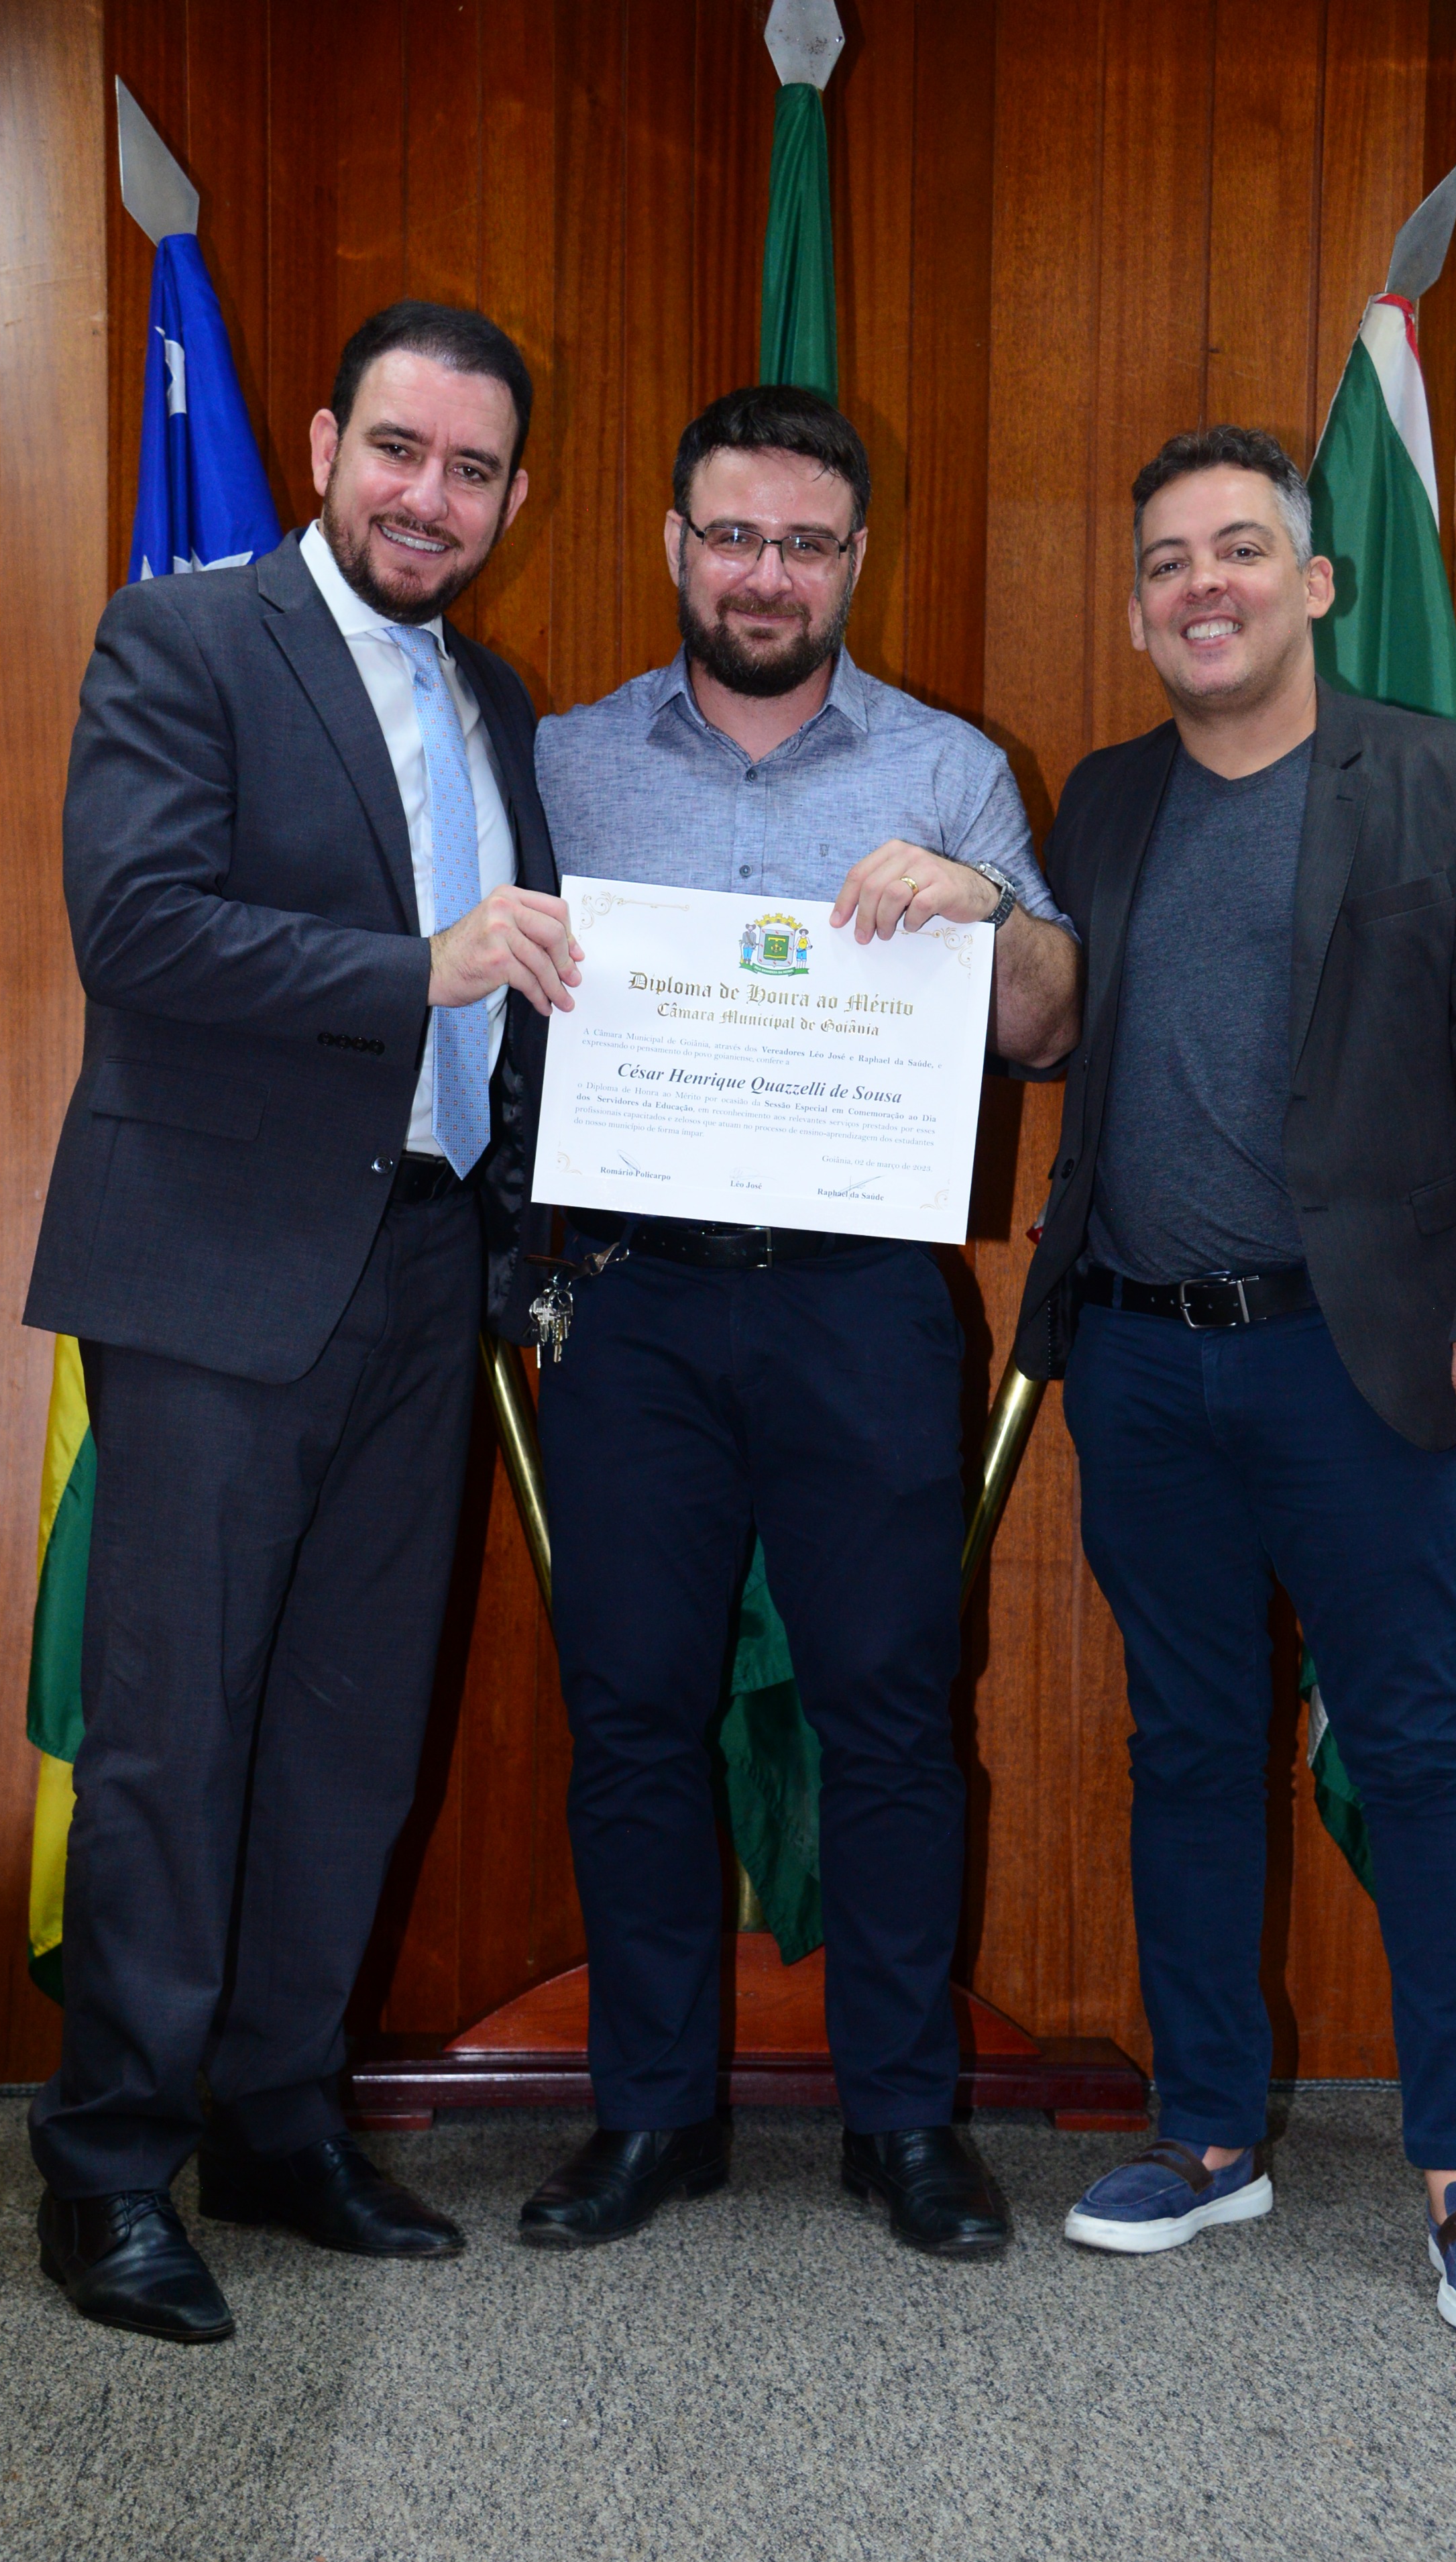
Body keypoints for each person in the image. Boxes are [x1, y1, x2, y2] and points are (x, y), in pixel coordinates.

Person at [23, 301, 581, 2343]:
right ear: (330, 445)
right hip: (212, 1272)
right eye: (400, 452)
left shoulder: (498, 696)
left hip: (427, 1272)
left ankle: (274, 2121)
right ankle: (108, 2169)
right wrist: (416, 965)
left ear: (511, 497)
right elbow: (135, 925)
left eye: (473, 471)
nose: (431, 498)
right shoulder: (184, 639)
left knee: (349, 1734)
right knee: (174, 1739)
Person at [1011, 425, 1456, 2337]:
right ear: (1138, 613)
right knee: (1184, 1749)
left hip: (1360, 1362)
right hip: (1138, 1357)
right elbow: (1047, 1038)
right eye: (1168, 561)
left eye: (1241, 549)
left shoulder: (1445, 783)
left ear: (1315, 582)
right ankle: (1204, 2135)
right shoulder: (1104, 803)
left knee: (1416, 1748)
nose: (1206, 585)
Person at [522, 386, 1082, 2256]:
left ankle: (903, 2123)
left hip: (861, 1308)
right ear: (679, 546)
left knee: (893, 1717)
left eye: (806, 544)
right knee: (630, 1715)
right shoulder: (565, 762)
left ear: (856, 559)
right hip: (632, 1304)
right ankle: (650, 2117)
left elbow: (1051, 1023)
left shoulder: (948, 767)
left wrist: (987, 908)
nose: (767, 575)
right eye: (735, 537)